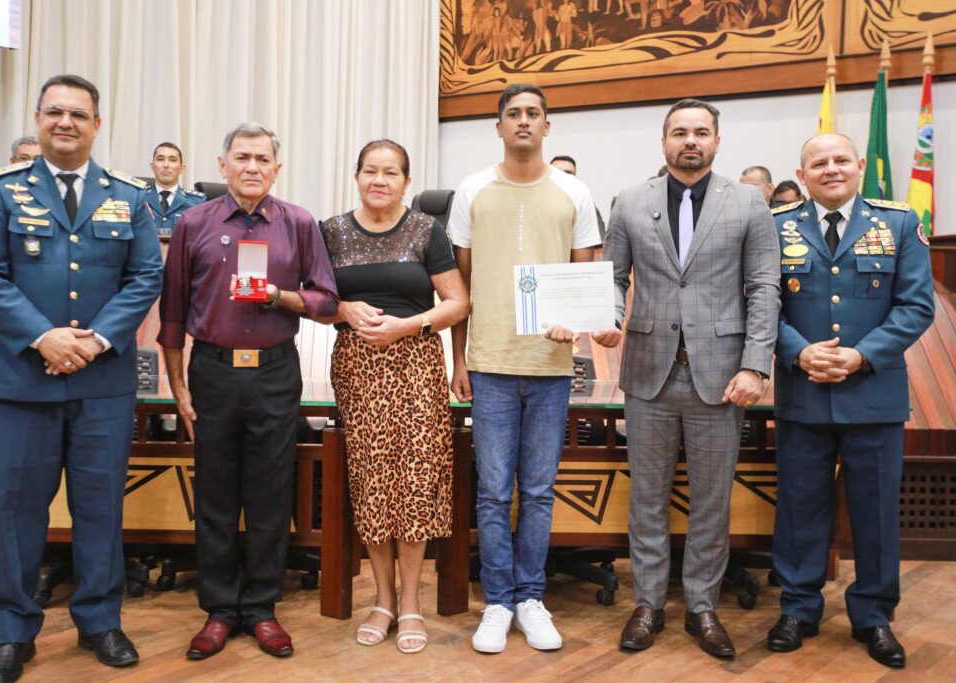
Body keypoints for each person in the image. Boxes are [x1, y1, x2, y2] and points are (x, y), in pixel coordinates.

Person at [0, 73, 163, 683]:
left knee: (99, 506)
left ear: (97, 125)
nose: (66, 123)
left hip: (101, 383)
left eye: (79, 114)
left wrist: (95, 340)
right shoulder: (0, 190)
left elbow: (145, 277)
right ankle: (12, 633)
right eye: (55, 113)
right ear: (39, 118)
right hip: (22, 381)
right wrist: (44, 337)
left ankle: (100, 621)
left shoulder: (128, 196)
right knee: (19, 511)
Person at [605, 98, 779, 658]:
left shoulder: (749, 203)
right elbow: (612, 277)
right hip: (649, 373)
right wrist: (605, 319)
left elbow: (764, 288)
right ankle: (648, 604)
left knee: (711, 499)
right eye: (679, 132)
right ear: (663, 141)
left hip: (722, 375)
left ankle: (702, 605)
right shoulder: (630, 201)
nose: (690, 141)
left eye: (701, 132)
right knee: (647, 497)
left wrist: (755, 363)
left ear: (717, 141)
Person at [159, 122, 338, 661]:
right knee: (215, 494)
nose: (253, 167)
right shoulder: (193, 224)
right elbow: (171, 315)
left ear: (277, 168)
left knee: (268, 493)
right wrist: (178, 387)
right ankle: (217, 609)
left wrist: (282, 296)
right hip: (211, 370)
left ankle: (261, 608)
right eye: (243, 157)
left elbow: (327, 301)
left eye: (263, 158)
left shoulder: (299, 224)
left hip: (273, 371)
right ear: (222, 165)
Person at [767, 133, 934, 668]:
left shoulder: (899, 223)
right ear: (803, 170)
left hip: (873, 394)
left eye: (841, 160)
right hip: (804, 391)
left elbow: (915, 306)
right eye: (820, 162)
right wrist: (798, 352)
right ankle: (798, 608)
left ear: (860, 166)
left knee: (877, 512)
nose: (831, 169)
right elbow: (761, 305)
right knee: (799, 507)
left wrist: (861, 357)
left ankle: (874, 616)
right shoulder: (777, 227)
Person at [449, 83, 604, 654]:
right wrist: (458, 359)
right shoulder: (471, 191)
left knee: (537, 491)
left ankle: (531, 597)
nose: (522, 122)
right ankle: (496, 601)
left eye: (533, 114)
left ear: (547, 126)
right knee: (492, 492)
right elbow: (459, 285)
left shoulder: (573, 192)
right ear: (498, 126)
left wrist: (578, 324)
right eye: (512, 114)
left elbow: (585, 276)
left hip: (549, 366)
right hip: (488, 363)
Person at [318, 139, 469, 654]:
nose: (379, 180)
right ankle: (380, 600)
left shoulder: (428, 230)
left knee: (416, 482)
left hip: (417, 367)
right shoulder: (331, 231)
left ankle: (410, 603)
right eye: (370, 171)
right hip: (357, 370)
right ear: (356, 176)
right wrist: (344, 310)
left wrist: (408, 326)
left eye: (390, 172)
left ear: (407, 180)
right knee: (372, 482)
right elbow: (316, 303)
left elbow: (457, 302)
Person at [144, 142, 205, 237]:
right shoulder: (139, 198)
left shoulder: (197, 203)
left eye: (172, 160)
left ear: (181, 168)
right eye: (160, 159)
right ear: (152, 167)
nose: (166, 165)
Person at [550, 154, 607, 245]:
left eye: (568, 174)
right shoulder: (536, 202)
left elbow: (600, 243)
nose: (563, 177)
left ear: (576, 178)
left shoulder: (586, 205)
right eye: (557, 173)